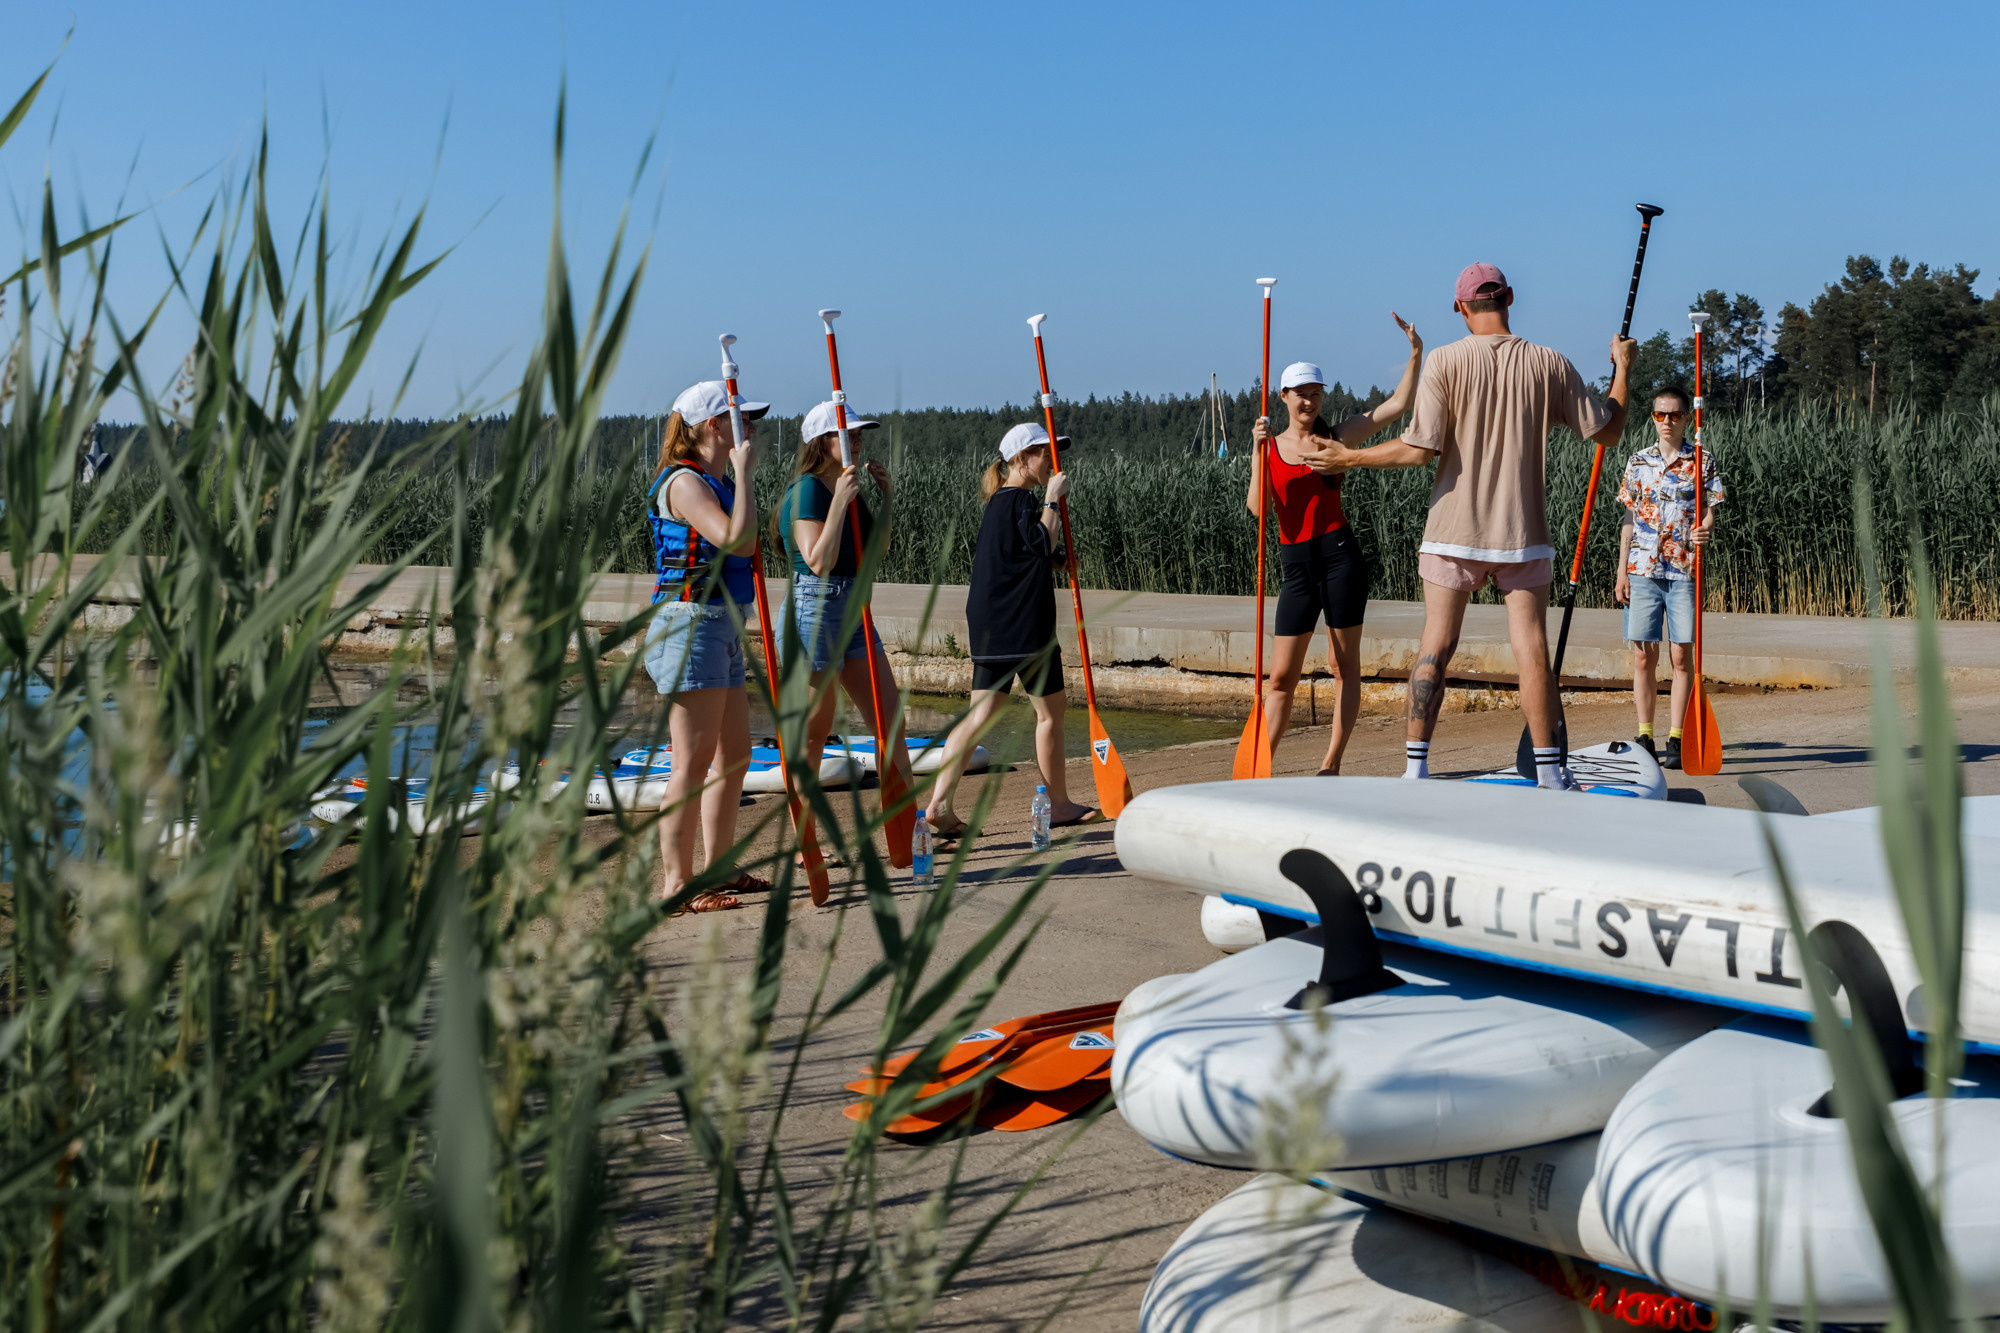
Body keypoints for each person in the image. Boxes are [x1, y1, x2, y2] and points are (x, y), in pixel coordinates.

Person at [1316, 263, 1635, 789]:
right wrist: (1622, 368)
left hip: (1451, 533)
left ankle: (1415, 770)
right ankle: (1551, 775)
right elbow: (1609, 431)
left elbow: (1418, 450)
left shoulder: (1444, 361)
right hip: (1522, 535)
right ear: (1508, 298)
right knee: (1532, 649)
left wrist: (1349, 458)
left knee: (1435, 646)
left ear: (1460, 308)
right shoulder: (1550, 362)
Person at [1246, 317, 1422, 774]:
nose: (1309, 401)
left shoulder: (1336, 440)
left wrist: (1415, 353)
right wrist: (1256, 453)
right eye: (1301, 393)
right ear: (1284, 396)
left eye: (1316, 393)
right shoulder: (1270, 448)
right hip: (1296, 566)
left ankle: (1331, 762)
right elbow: (1259, 510)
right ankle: (1258, 769)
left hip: (1340, 557)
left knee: (1344, 666)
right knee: (1280, 678)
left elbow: (1396, 406)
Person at [922, 423, 1100, 837]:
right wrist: (1052, 499)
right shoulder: (1021, 499)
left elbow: (1024, 551)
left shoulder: (1001, 501)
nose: (1053, 461)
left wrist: (1056, 561)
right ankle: (1058, 804)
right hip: (1023, 624)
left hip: (994, 623)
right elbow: (1040, 540)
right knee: (1050, 712)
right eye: (1045, 454)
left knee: (981, 714)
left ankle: (939, 803)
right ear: (1021, 459)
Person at [643, 380, 768, 910]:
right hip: (690, 625)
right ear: (714, 425)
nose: (752, 427)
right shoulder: (684, 483)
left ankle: (719, 867)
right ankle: (677, 884)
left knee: (735, 754)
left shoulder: (719, 482)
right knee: (692, 763)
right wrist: (744, 476)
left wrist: (741, 480)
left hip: (722, 623)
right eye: (743, 418)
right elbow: (737, 540)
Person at [773, 400, 915, 833]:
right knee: (814, 732)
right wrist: (839, 503)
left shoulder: (847, 489)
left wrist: (886, 498)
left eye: (858, 434)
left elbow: (877, 552)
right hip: (814, 609)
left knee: (889, 721)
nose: (857, 440)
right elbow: (818, 561)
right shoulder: (808, 490)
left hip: (853, 609)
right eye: (847, 434)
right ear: (821, 441)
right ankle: (807, 839)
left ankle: (907, 825)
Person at [1614, 385, 1723, 770]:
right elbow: (1629, 518)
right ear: (1652, 417)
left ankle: (1677, 737)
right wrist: (1621, 570)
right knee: (1644, 656)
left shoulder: (1702, 460)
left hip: (1683, 570)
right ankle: (1644, 735)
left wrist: (1704, 528)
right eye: (1660, 414)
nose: (1667, 421)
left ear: (1686, 418)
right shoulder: (1638, 461)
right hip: (1642, 569)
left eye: (1674, 415)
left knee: (1680, 656)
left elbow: (1709, 509)